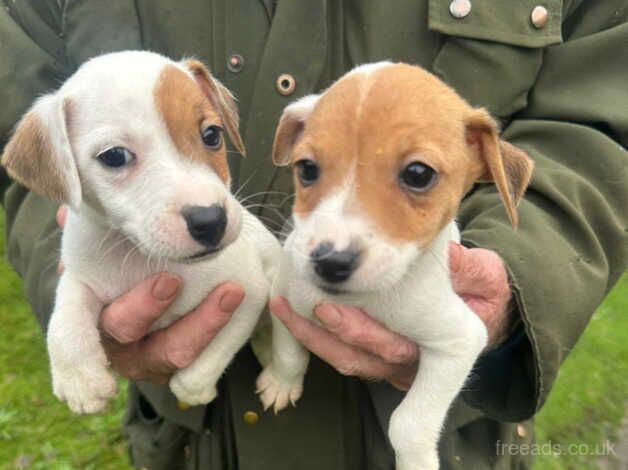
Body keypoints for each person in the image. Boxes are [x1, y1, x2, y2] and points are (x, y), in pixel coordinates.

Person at [1, 1, 626, 469]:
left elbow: (602, 125)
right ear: (289, 142)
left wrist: (519, 275)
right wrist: (80, 303)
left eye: (415, 175)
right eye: (307, 168)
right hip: (192, 441)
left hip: (449, 440)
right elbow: (18, 141)